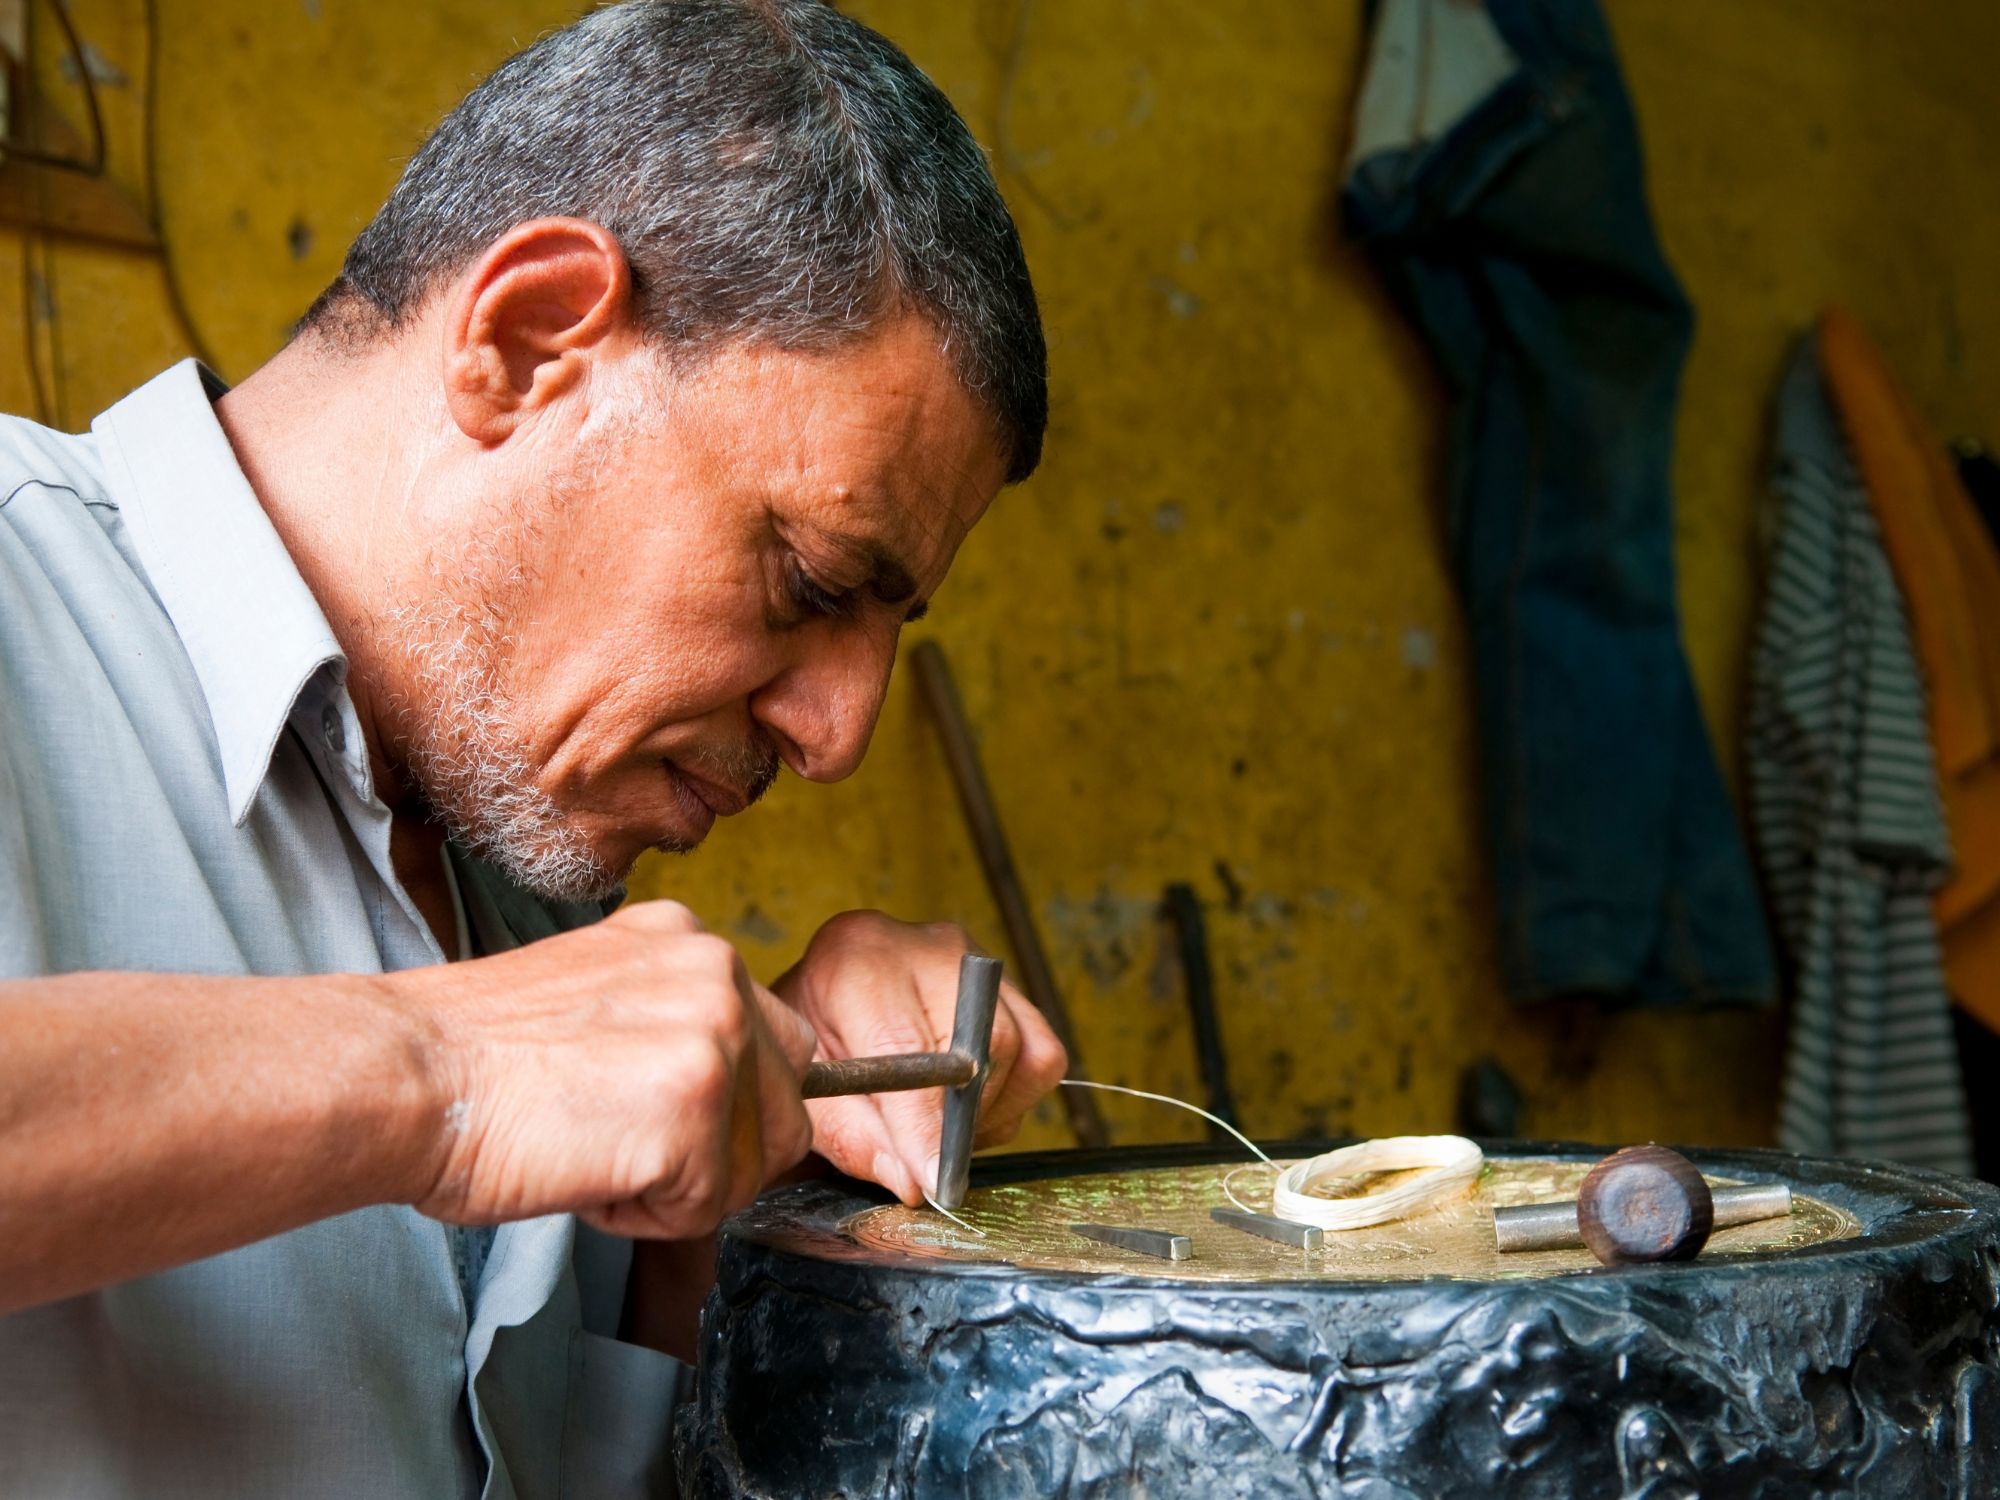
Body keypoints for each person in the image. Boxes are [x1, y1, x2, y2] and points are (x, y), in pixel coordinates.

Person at [0, 2, 1065, 1494]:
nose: (836, 735)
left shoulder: (524, 864)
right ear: (523, 341)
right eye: (812, 583)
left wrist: (758, 1159)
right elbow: (462, 1084)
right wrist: (438, 1074)